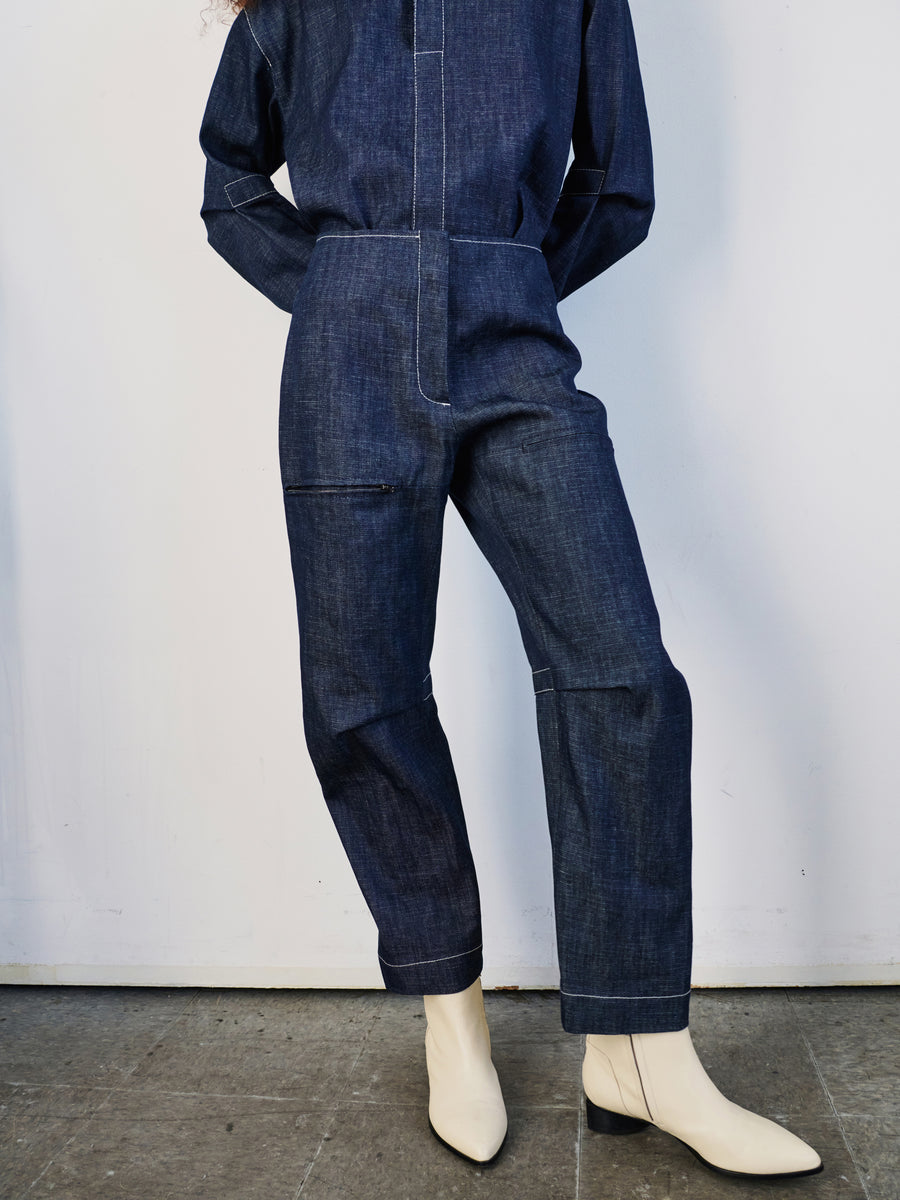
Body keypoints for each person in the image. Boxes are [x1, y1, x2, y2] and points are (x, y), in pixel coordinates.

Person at [198, 0, 823, 1179]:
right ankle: (453, 1012)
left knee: (621, 671)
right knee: (362, 691)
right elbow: (229, 178)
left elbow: (617, 186)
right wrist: (344, 285)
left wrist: (506, 280)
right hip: (348, 359)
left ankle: (641, 1049)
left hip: (514, 342)